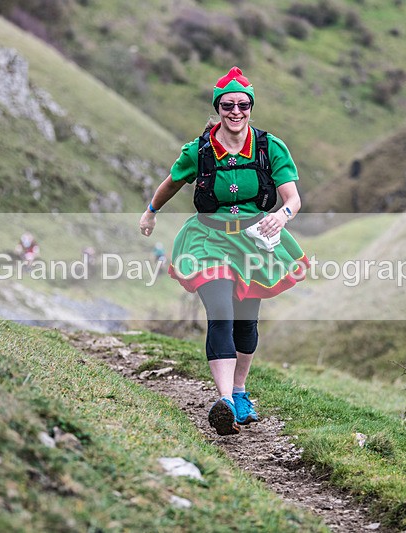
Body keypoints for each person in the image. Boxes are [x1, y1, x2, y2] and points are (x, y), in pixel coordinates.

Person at [139, 66, 309, 436]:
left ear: (251, 107)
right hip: (208, 240)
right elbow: (172, 183)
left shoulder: (269, 147)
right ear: (218, 108)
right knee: (220, 311)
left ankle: (240, 389)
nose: (236, 112)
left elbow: (292, 198)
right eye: (228, 105)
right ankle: (225, 402)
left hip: (253, 243)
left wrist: (281, 217)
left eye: (243, 105)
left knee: (246, 323)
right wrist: (151, 211)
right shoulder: (198, 151)